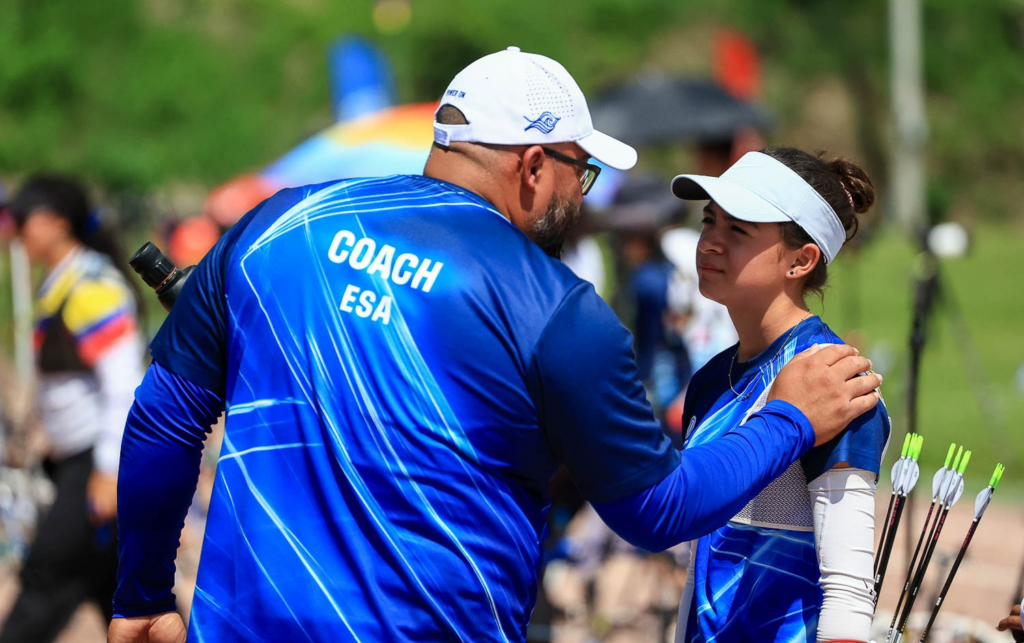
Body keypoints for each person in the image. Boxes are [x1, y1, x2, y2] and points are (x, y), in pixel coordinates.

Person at [109, 48, 881, 643]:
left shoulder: (275, 226)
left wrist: (140, 595)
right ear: (534, 165)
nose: (581, 194)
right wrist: (788, 419)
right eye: (581, 171)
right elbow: (659, 508)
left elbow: (161, 423)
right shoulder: (555, 308)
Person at [670, 148, 890, 643]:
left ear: (801, 260)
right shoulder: (709, 380)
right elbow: (699, 566)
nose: (709, 242)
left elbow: (849, 594)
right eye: (709, 221)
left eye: (738, 229)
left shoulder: (835, 381)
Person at [0, 175, 144, 642]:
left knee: (46, 575)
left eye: (21, 220)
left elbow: (123, 386)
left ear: (56, 222)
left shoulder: (92, 287)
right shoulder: (62, 282)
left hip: (96, 463)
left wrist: (106, 472)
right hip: (74, 461)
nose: (13, 231)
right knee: (120, 592)